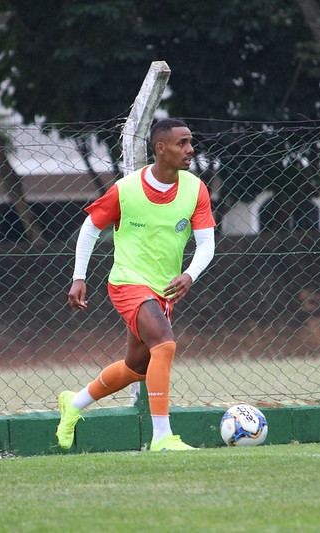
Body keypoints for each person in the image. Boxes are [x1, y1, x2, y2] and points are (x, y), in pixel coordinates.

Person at [57, 118, 216, 451]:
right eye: (182, 143)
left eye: (190, 142)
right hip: (128, 283)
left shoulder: (195, 188)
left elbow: (206, 243)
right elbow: (89, 229)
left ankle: (73, 403)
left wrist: (189, 274)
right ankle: (162, 438)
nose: (190, 150)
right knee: (165, 345)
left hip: (164, 291)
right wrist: (78, 276)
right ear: (161, 148)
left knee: (137, 367)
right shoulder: (126, 189)